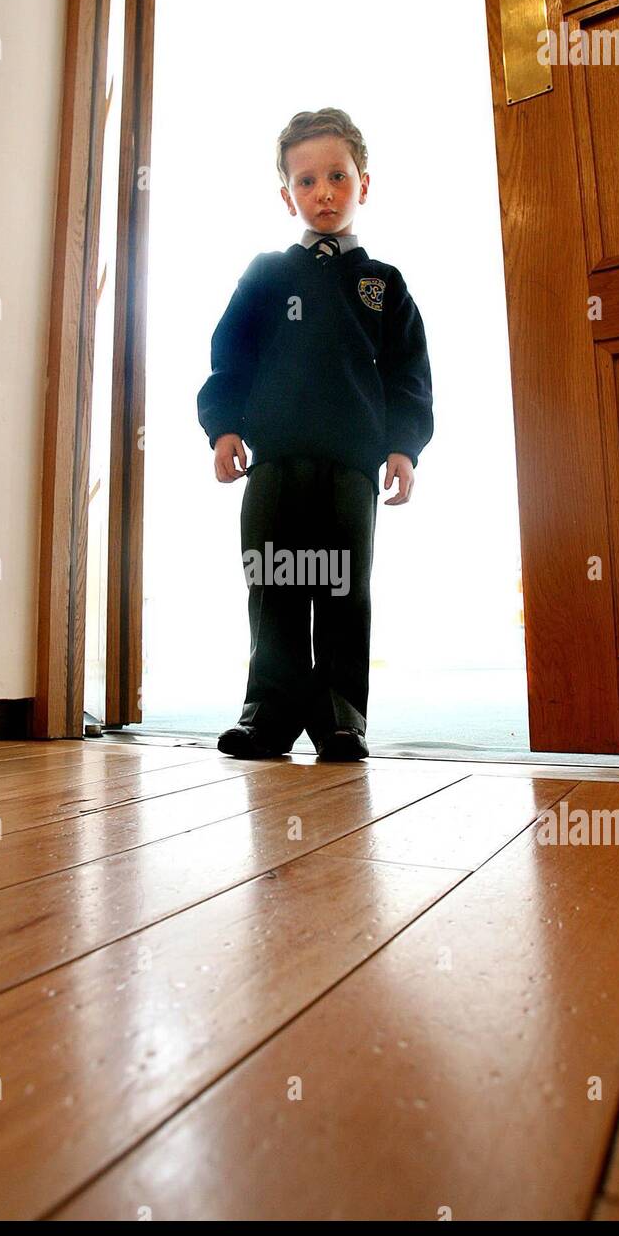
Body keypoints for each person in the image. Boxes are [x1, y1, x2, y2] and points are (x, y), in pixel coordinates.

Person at [197, 108, 433, 761]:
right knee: (272, 585)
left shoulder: (383, 284)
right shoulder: (267, 276)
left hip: (352, 469)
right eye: (306, 181)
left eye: (337, 176)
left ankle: (339, 719)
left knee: (342, 590)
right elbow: (231, 353)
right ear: (286, 195)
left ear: (364, 183)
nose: (323, 192)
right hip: (273, 466)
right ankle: (267, 716)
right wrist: (224, 428)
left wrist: (403, 447)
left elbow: (410, 371)